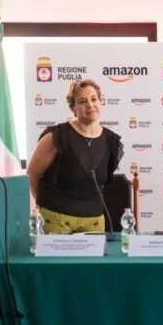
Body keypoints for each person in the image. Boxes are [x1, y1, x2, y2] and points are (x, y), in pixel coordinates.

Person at [27, 79, 123, 234]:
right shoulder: (57, 136)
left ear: (101, 102)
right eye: (82, 101)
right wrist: (43, 206)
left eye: (94, 99)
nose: (90, 105)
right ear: (73, 108)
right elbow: (33, 173)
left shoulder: (111, 141)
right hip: (56, 219)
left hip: (94, 221)